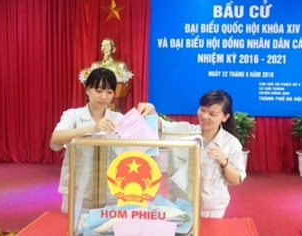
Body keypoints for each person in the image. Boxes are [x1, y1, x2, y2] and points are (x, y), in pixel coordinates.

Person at [139, 89, 247, 218]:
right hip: (178, 206)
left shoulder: (231, 144)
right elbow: (161, 126)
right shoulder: (184, 131)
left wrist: (224, 162)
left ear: (225, 117)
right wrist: (151, 111)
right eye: (202, 110)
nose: (205, 116)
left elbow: (237, 180)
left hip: (210, 210)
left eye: (212, 114)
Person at [50, 67, 146, 212]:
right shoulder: (73, 115)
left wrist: (150, 114)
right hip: (78, 189)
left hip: (111, 190)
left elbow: (144, 145)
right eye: (99, 91)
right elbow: (56, 138)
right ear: (87, 90)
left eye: (109, 92)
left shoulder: (118, 119)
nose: (103, 97)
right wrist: (92, 129)